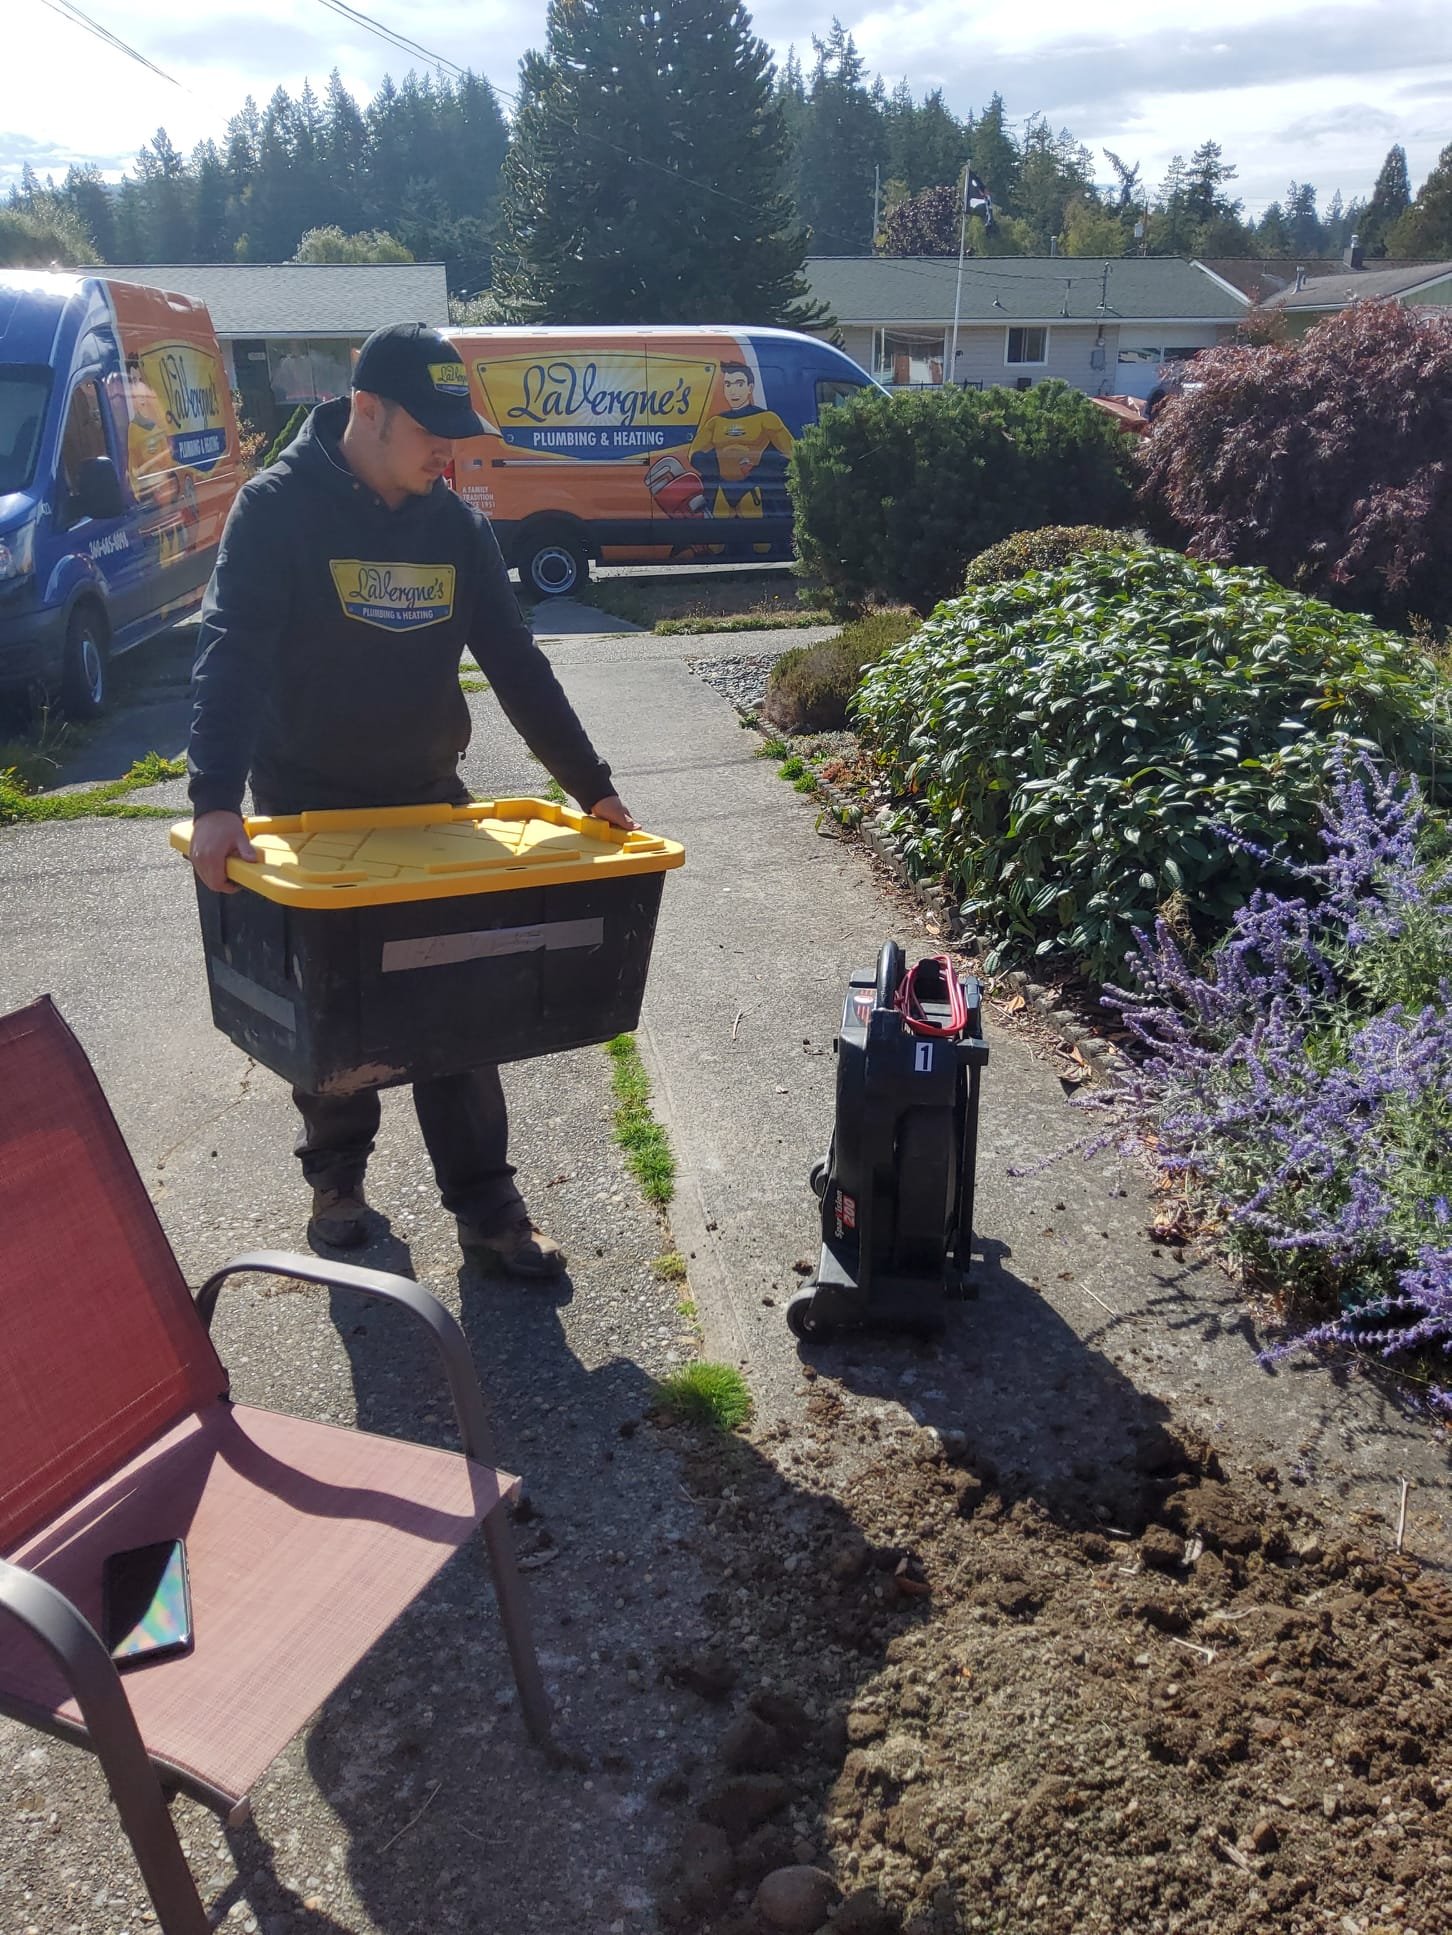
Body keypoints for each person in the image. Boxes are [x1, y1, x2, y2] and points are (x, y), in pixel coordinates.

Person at [185, 322, 635, 1276]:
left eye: (455, 431)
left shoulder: (454, 525)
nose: (449, 449)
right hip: (309, 806)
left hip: (430, 801)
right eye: (430, 430)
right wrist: (216, 797)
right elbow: (231, 650)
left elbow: (516, 667)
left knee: (462, 1002)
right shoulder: (277, 511)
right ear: (368, 411)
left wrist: (592, 787)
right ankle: (337, 1178)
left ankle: (487, 1208)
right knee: (334, 1012)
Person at [688, 361, 793, 523]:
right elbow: (694, 454)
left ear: (750, 388)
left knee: (761, 544)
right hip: (722, 491)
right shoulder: (715, 422)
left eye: (739, 383)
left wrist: (759, 469)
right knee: (717, 545)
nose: (733, 390)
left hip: (755, 489)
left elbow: (792, 453)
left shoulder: (766, 419)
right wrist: (718, 466)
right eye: (728, 384)